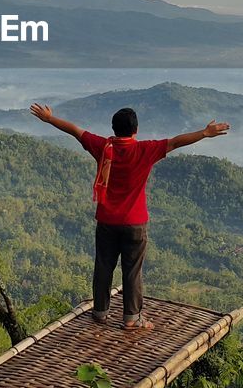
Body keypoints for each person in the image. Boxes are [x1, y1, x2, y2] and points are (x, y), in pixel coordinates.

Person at [29, 103, 230, 329]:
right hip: (134, 223)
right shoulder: (145, 150)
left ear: (113, 129)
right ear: (136, 130)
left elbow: (75, 130)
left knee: (104, 267)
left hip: (106, 221)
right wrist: (204, 133)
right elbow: (175, 142)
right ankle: (132, 318)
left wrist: (49, 119)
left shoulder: (104, 147)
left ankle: (100, 312)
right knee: (132, 270)